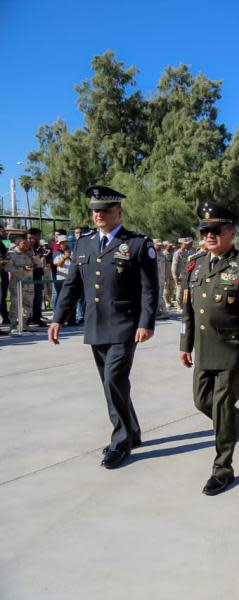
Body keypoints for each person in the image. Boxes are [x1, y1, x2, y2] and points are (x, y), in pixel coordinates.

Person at [49, 186, 159, 469]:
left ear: (119, 212)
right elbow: (72, 284)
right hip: (96, 325)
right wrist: (58, 318)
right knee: (112, 383)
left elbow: (149, 288)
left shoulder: (136, 243)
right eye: (95, 210)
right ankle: (131, 431)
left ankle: (120, 441)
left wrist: (147, 322)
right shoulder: (84, 244)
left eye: (105, 210)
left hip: (125, 325)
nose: (99, 215)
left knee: (113, 380)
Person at [179, 201, 239, 496]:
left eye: (216, 230)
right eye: (205, 230)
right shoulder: (195, 265)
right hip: (204, 350)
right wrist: (184, 343)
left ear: (232, 232)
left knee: (221, 406)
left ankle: (222, 468)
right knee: (202, 402)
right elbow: (187, 311)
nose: (209, 235)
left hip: (233, 353)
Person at [5, 235, 38, 333]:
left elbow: (36, 265)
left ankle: (24, 324)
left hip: (29, 282)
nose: (26, 245)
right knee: (15, 304)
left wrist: (33, 263)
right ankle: (13, 326)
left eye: (27, 243)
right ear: (17, 243)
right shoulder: (11, 254)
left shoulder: (28, 253)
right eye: (24, 243)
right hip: (17, 283)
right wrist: (23, 268)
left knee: (28, 304)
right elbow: (7, 268)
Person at [26, 229, 49, 327]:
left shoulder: (40, 246)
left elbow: (43, 259)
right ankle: (26, 318)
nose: (39, 237)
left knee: (38, 297)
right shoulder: (25, 246)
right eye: (37, 235)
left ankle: (36, 318)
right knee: (27, 297)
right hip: (27, 275)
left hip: (38, 274)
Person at [172, 238, 193, 310]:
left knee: (186, 291)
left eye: (187, 244)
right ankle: (179, 306)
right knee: (180, 291)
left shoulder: (188, 252)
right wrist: (175, 277)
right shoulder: (178, 253)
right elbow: (174, 266)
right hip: (180, 276)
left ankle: (184, 304)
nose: (187, 245)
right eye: (185, 244)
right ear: (181, 244)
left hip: (187, 275)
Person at [0, 224, 10, 327]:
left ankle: (5, 317)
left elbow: (6, 254)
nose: (4, 232)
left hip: (4, 273)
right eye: (2, 230)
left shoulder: (5, 242)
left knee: (3, 296)